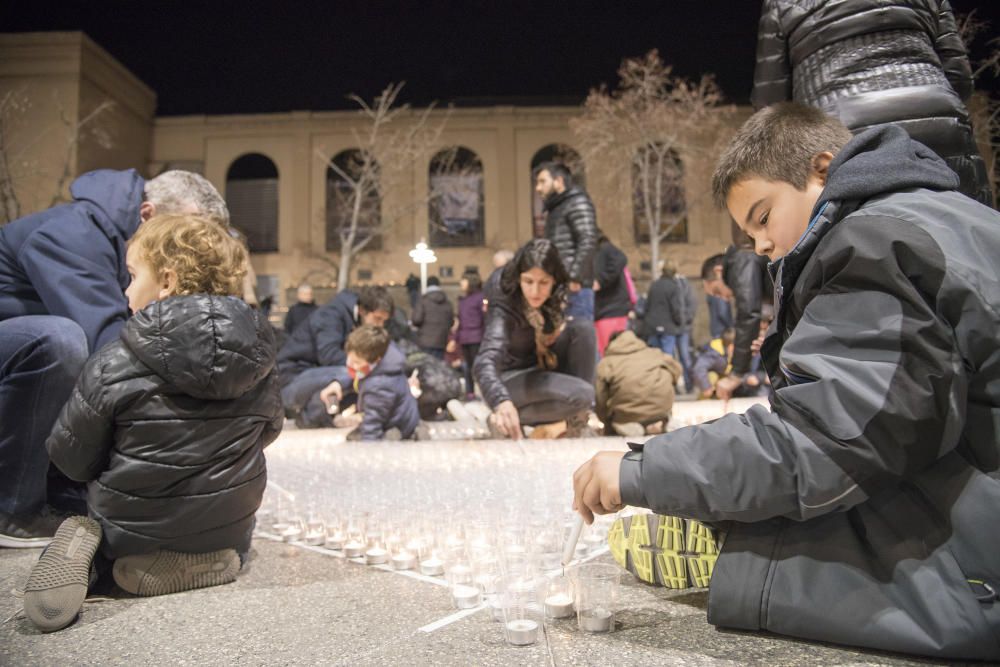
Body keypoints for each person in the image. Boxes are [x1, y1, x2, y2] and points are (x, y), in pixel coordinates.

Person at [571, 102, 1000, 660]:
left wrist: (643, 469)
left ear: (823, 170)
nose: (760, 245)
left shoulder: (874, 244)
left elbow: (824, 442)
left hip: (983, 551)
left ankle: (732, 554)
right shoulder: (942, 215)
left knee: (752, 534)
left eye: (763, 216)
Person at [23, 214, 282, 632]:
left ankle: (99, 556)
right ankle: (206, 555)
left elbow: (73, 460)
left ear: (166, 281)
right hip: (229, 528)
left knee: (86, 513)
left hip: (132, 530)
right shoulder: (259, 362)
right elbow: (269, 431)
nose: (126, 290)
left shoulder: (115, 359)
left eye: (132, 275)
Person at [0, 169, 230, 548]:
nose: (190, 250)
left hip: (23, 362)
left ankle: (60, 489)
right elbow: (107, 342)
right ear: (146, 215)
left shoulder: (117, 243)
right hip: (20, 352)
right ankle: (12, 507)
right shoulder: (71, 234)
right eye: (183, 235)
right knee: (61, 340)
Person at [752, 0, 992, 207]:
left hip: (841, 136)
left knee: (865, 242)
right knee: (968, 239)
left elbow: (771, 105)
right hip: (941, 126)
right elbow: (960, 79)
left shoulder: (782, 4)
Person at [474, 239, 596, 440]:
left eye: (543, 283)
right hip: (508, 379)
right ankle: (504, 418)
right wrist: (500, 401)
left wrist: (553, 333)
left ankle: (577, 420)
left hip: (538, 368)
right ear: (519, 278)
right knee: (583, 394)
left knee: (583, 329)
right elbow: (485, 361)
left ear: (554, 281)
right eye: (528, 281)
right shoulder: (503, 301)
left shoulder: (556, 296)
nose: (535, 291)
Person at [277, 284, 394, 429]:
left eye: (384, 321)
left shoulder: (354, 319)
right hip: (291, 380)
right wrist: (366, 365)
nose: (380, 325)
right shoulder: (330, 315)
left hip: (314, 375)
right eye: (378, 319)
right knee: (355, 372)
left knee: (361, 374)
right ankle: (312, 415)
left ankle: (312, 417)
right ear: (363, 310)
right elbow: (329, 355)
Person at [326, 325, 419, 441]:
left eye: (357, 362)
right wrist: (338, 383)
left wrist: (369, 446)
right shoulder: (387, 363)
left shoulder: (380, 385)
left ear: (376, 360)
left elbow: (373, 420)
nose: (351, 365)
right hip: (402, 417)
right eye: (350, 359)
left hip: (396, 425)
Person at [534, 162, 598, 321]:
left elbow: (588, 240)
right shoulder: (557, 208)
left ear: (559, 181)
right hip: (559, 285)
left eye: (543, 181)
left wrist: (574, 277)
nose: (538, 188)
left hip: (574, 288)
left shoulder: (577, 202)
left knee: (577, 337)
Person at [713, 234, 770, 401]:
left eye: (717, 292)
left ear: (718, 272)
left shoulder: (742, 257)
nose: (723, 298)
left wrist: (736, 374)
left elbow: (748, 312)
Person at [595, 329, 682, 437]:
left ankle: (626, 424)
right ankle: (663, 418)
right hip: (662, 408)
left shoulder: (607, 363)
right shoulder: (655, 353)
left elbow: (600, 396)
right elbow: (677, 369)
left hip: (628, 413)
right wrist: (668, 384)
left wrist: (606, 420)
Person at [591, 232, 632, 356]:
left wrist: (601, 281)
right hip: (604, 311)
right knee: (607, 353)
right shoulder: (597, 251)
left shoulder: (604, 249)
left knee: (613, 353)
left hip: (611, 310)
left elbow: (620, 259)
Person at [643, 260, 684, 366]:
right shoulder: (674, 287)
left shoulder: (654, 285)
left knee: (654, 358)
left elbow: (647, 305)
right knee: (667, 358)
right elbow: (676, 309)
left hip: (652, 326)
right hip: (668, 327)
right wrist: (679, 322)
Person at [454, 271, 485, 399]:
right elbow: (460, 321)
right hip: (464, 338)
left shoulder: (480, 298)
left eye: (464, 280)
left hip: (477, 338)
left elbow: (485, 318)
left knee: (479, 367)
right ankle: (470, 392)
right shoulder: (463, 300)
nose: (461, 283)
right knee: (467, 367)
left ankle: (484, 392)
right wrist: (455, 339)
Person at [411, 276, 453, 359]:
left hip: (425, 341)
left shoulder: (423, 300)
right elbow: (451, 322)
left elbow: (416, 319)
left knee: (427, 367)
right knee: (437, 368)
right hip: (441, 341)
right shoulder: (447, 302)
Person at [690, 327, 736, 398]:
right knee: (712, 376)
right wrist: (706, 387)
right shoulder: (713, 353)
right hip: (713, 382)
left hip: (727, 378)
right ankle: (704, 401)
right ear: (730, 346)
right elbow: (699, 368)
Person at [702, 254, 734, 339]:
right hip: (722, 331)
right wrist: (731, 326)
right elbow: (722, 312)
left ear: (719, 272)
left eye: (717, 292)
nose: (725, 298)